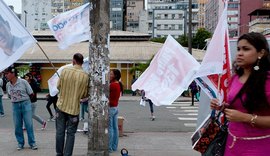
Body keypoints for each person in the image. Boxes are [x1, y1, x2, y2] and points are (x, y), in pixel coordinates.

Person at [210, 32, 270, 156]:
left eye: (246, 49)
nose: (240, 53)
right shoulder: (235, 78)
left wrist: (245, 118)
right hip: (232, 144)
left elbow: (242, 114)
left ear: (261, 53)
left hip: (260, 146)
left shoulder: (267, 80)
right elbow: (237, 106)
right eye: (238, 49)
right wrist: (222, 106)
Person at [55, 53, 89, 156]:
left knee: (60, 132)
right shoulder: (85, 76)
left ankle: (59, 153)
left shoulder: (65, 71)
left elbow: (58, 86)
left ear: (73, 61)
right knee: (71, 134)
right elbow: (84, 95)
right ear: (82, 63)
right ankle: (67, 154)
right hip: (74, 110)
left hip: (61, 106)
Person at [4, 66, 38, 150]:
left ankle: (32, 143)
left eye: (7, 73)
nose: (6, 75)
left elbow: (31, 93)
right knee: (17, 125)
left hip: (25, 103)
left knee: (28, 124)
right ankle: (20, 143)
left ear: (13, 74)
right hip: (15, 105)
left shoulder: (23, 82)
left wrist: (26, 102)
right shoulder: (8, 84)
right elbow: (9, 95)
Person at [109, 69, 123, 152]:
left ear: (115, 76)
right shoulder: (118, 85)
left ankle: (109, 147)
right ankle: (114, 147)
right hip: (115, 108)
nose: (109, 75)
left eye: (111, 74)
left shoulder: (112, 85)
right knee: (115, 128)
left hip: (110, 108)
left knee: (110, 128)